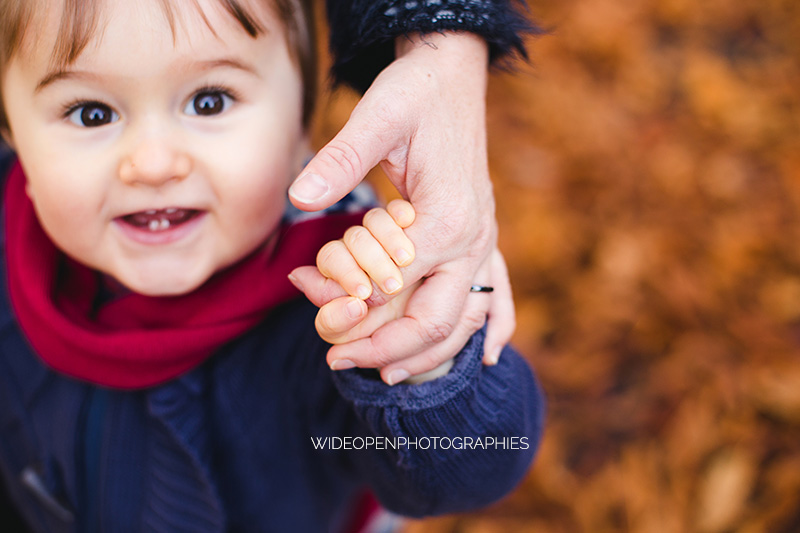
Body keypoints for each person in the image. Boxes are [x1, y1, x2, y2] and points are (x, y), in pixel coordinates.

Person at [0, 1, 544, 531]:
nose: (152, 164)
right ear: (12, 131)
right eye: (92, 113)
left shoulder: (343, 292)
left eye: (209, 101)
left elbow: (474, 469)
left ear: (301, 127)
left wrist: (421, 358)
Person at [289, 0, 539, 384]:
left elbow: (498, 439)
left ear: (301, 107)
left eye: (209, 102)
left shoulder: (353, 264)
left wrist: (429, 363)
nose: (159, 165)